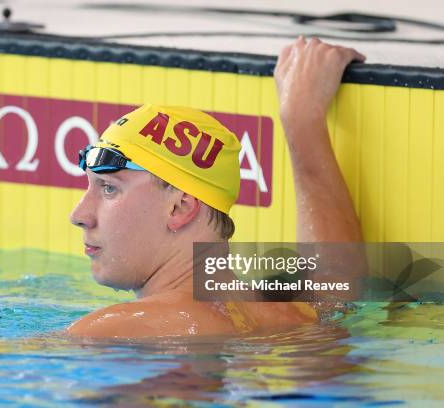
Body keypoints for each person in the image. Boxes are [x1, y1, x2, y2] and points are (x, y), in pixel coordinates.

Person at [66, 37, 365, 338]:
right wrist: (302, 120)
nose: (79, 215)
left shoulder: (109, 330)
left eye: (108, 188)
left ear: (180, 208)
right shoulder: (300, 316)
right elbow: (335, 278)